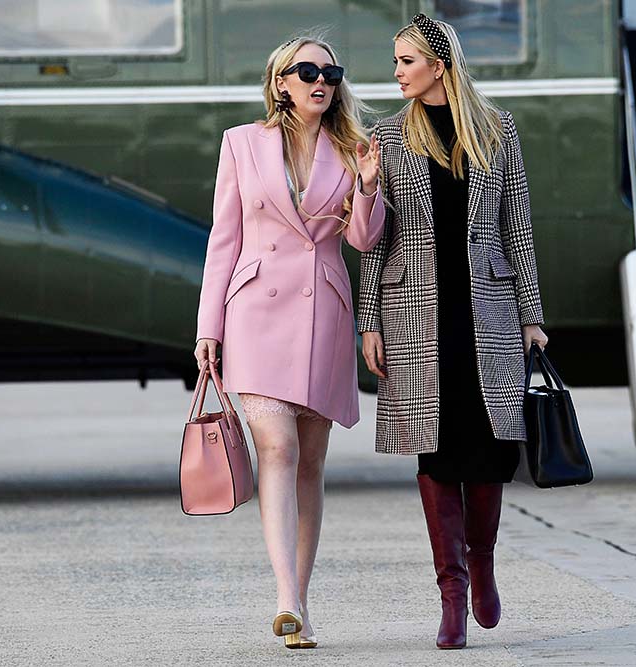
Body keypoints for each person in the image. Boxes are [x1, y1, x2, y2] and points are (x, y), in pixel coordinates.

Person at [358, 14, 548, 649]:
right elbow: (372, 245)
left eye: (406, 61)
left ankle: (484, 560)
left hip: (487, 310)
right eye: (395, 61)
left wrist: (531, 317)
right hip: (413, 312)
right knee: (433, 449)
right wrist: (370, 322)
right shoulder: (386, 137)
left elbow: (517, 228)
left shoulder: (496, 131)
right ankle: (452, 589)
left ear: (439, 64)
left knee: (492, 447)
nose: (397, 72)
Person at [193, 36, 384, 649]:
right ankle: (286, 600)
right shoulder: (241, 144)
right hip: (254, 312)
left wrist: (371, 187)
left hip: (322, 314)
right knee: (275, 448)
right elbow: (223, 241)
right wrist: (208, 329)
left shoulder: (353, 149)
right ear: (281, 83)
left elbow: (361, 240)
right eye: (306, 72)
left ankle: (301, 600)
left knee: (311, 462)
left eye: (330, 72)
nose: (319, 81)